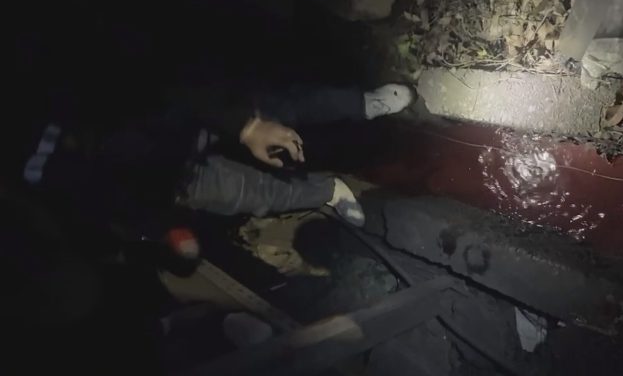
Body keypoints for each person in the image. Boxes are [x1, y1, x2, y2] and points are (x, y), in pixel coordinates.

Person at [17, 82, 414, 245]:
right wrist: (152, 227)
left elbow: (143, 67)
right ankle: (328, 190)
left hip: (163, 115)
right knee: (255, 194)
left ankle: (364, 103)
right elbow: (80, 210)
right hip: (158, 181)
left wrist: (244, 125)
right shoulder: (25, 185)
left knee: (281, 112)